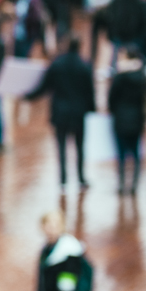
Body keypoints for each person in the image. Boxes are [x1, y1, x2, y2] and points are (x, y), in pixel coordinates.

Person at [26, 38, 95, 188]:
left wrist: (28, 96)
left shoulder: (57, 65)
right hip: (78, 113)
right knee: (79, 147)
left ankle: (63, 179)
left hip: (60, 112)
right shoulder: (84, 66)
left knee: (61, 147)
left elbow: (44, 86)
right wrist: (91, 109)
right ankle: (81, 177)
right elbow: (90, 92)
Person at [38, 211, 92, 291]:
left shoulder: (68, 252)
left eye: (55, 225)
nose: (51, 229)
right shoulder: (48, 247)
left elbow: (67, 288)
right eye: (48, 225)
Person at [108, 46, 146, 194]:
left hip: (120, 119)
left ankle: (122, 183)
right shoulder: (141, 76)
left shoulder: (119, 77)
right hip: (137, 119)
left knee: (121, 153)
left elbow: (111, 99)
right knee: (136, 152)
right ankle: (134, 185)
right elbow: (144, 99)